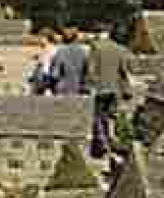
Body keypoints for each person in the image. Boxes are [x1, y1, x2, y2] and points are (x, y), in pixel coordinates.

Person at [86, 23, 129, 157]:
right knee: (110, 118)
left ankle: (103, 143)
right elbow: (123, 71)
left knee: (97, 117)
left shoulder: (95, 47)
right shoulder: (119, 48)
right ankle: (113, 142)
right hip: (114, 90)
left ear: (99, 33)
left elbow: (91, 70)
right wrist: (125, 89)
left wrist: (91, 85)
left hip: (100, 90)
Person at [50, 26, 90, 96]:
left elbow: (55, 74)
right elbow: (86, 71)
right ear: (76, 37)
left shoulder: (61, 51)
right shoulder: (83, 52)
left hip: (62, 88)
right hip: (77, 87)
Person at [28, 29, 58, 95]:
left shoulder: (53, 50)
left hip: (47, 82)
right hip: (38, 82)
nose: (38, 40)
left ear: (46, 38)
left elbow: (48, 68)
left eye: (40, 37)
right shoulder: (41, 51)